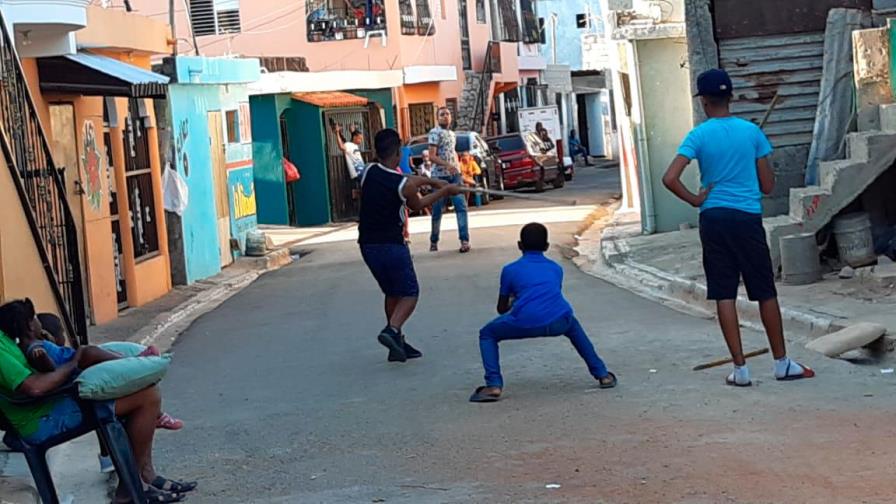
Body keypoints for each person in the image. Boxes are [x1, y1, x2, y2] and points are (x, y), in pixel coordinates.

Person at [662, 68, 815, 387]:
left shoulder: (698, 135)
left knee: (724, 293)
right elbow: (769, 185)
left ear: (704, 101)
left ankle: (741, 369)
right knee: (764, 291)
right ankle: (782, 363)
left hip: (713, 218)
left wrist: (695, 199)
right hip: (746, 218)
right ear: (730, 96)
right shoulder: (752, 133)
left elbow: (670, 178)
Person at [0, 300, 196, 503]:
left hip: (51, 405)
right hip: (43, 419)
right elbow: (35, 387)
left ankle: (143, 477)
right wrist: (75, 364)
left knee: (140, 390)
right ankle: (129, 489)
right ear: (28, 324)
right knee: (147, 396)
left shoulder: (9, 339)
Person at [469, 223, 617, 402]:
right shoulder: (556, 268)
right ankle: (603, 374)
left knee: (487, 334)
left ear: (519, 245)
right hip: (558, 320)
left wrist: (515, 300)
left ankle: (493, 385)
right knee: (573, 326)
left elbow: (501, 309)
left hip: (524, 323)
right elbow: (551, 295)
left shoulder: (509, 270)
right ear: (546, 246)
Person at [27, 312, 183, 475]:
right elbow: (46, 371)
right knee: (92, 356)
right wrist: (74, 360)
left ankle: (118, 460)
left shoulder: (39, 345)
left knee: (109, 375)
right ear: (30, 327)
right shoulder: (37, 349)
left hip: (69, 382)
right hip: (69, 387)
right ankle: (138, 474)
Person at [359, 128, 461, 362]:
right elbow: (417, 203)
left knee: (391, 292)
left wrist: (429, 180)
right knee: (410, 293)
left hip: (367, 245)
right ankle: (392, 330)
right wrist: (445, 189)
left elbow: (406, 181)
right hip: (392, 245)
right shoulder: (402, 185)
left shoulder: (368, 171)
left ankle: (397, 344)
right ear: (398, 153)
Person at [428, 107, 472, 253]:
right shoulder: (434, 133)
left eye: (447, 114)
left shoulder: (452, 134)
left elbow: (451, 153)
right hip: (439, 176)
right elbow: (432, 156)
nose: (445, 117)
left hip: (455, 176)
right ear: (437, 118)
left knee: (461, 207)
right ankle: (434, 240)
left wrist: (458, 169)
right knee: (437, 210)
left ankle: (464, 240)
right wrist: (447, 165)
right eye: (442, 115)